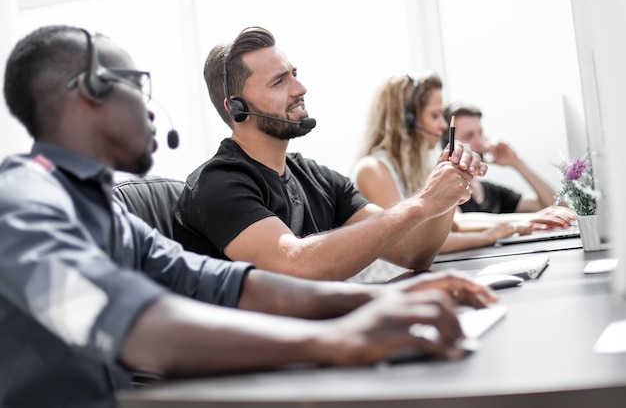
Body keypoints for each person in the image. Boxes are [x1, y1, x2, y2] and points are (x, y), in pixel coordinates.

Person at [0, 25, 498, 408]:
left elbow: (226, 283)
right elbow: (134, 324)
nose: (152, 107)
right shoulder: (20, 209)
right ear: (88, 91)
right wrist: (336, 338)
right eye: (136, 85)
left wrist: (374, 299)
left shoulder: (99, 208)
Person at [173, 26, 488, 282]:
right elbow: (296, 265)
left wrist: (447, 189)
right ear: (236, 108)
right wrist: (423, 201)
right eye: (279, 81)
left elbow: (413, 252)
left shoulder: (314, 176)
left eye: (294, 73)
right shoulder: (218, 184)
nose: (300, 88)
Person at [352, 74, 528, 278]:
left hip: (412, 281)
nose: (443, 126)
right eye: (435, 116)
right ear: (406, 121)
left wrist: (520, 222)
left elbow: (453, 225)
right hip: (387, 289)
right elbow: (408, 246)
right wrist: (490, 235)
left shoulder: (417, 168)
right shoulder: (372, 170)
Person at [441, 104, 575, 227]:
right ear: (449, 144)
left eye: (480, 133)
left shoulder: (492, 192)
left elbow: (560, 208)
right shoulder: (444, 189)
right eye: (469, 136)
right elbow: (457, 224)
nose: (480, 143)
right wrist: (527, 219)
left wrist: (517, 163)